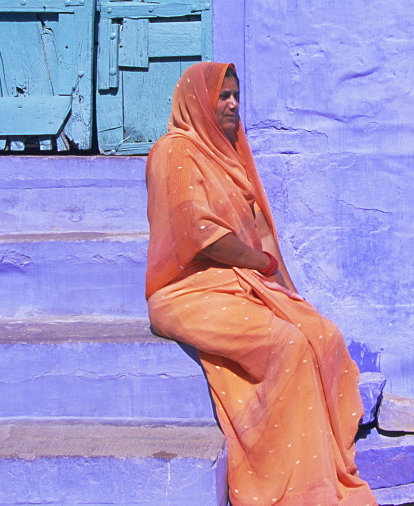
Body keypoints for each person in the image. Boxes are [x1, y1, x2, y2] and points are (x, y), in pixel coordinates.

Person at [145, 62, 376, 506]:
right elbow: (202, 236)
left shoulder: (229, 154)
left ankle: (325, 465)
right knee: (287, 344)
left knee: (322, 333)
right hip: (186, 290)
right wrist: (262, 263)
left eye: (236, 96)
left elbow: (262, 232)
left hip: (240, 279)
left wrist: (290, 292)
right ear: (197, 101)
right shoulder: (174, 152)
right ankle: (290, 485)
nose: (232, 105)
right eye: (222, 96)